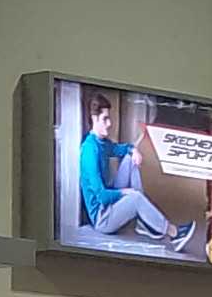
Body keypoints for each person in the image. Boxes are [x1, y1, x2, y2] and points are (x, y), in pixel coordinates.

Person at [77, 92, 197, 252]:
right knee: (135, 197)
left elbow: (120, 149)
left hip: (109, 202)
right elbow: (101, 196)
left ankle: (143, 220)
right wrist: (125, 192)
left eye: (109, 118)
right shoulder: (89, 150)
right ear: (94, 119)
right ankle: (174, 234)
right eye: (105, 119)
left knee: (129, 159)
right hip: (102, 217)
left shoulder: (102, 142)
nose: (110, 123)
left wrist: (133, 150)